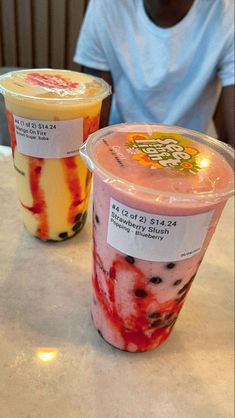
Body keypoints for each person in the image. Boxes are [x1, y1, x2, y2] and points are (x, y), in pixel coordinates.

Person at [74, 0, 235, 147]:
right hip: (120, 147)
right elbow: (91, 124)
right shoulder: (107, 6)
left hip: (195, 151)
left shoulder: (227, 12)